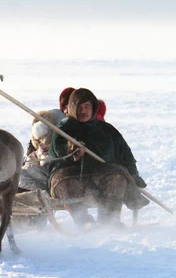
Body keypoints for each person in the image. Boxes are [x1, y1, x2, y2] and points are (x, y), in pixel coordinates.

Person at [48, 88, 149, 226]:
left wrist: (133, 174)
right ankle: (84, 222)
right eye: (79, 107)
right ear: (72, 108)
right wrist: (71, 151)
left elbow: (126, 156)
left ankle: (110, 221)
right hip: (70, 176)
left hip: (100, 176)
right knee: (65, 182)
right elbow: (57, 150)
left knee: (118, 176)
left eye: (87, 107)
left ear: (93, 107)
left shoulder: (107, 130)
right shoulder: (63, 128)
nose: (83, 111)